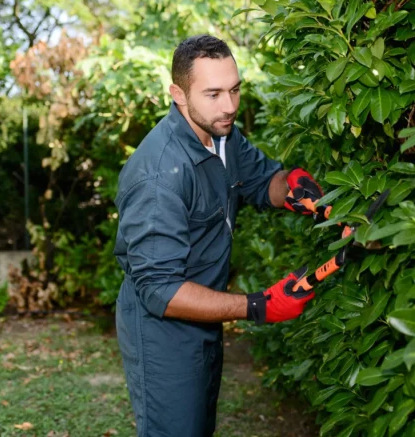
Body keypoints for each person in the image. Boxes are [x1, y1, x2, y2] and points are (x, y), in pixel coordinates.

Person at [113, 34, 325, 437]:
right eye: (213, 94)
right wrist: (259, 305)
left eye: (235, 90)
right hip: (163, 326)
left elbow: (263, 182)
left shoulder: (222, 134)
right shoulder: (159, 175)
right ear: (178, 94)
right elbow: (161, 290)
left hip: (205, 311)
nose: (229, 106)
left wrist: (296, 187)